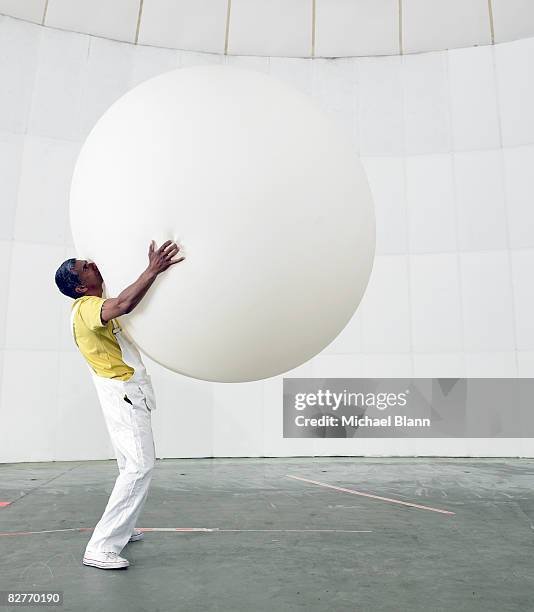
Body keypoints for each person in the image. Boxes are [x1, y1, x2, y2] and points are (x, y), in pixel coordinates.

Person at [54, 240, 184, 569]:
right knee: (141, 466)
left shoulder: (93, 304)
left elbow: (127, 302)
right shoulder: (85, 307)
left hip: (118, 391)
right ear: (81, 285)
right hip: (122, 392)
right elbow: (125, 303)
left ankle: (122, 530)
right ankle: (101, 546)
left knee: (130, 465)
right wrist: (153, 268)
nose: (93, 264)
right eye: (86, 267)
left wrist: (149, 276)